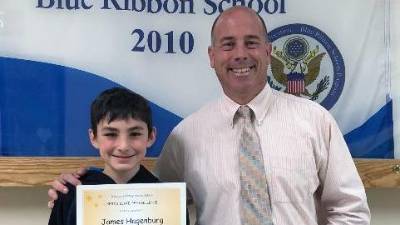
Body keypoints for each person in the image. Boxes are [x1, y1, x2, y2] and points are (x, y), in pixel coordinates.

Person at [48, 6, 371, 225]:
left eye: (251, 43)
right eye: (228, 45)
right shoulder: (186, 136)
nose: (240, 54)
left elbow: (350, 210)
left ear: (269, 52)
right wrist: (77, 187)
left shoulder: (315, 121)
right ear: (212, 56)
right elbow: (147, 202)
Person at [48, 87, 159, 225]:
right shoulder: (72, 192)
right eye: (111, 134)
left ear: (150, 137)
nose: (123, 146)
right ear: (93, 137)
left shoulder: (167, 198)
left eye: (135, 134)